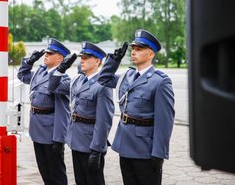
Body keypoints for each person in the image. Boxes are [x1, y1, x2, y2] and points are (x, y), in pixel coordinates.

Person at [98, 29, 175, 185]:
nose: (133, 52)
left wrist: (159, 153)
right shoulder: (127, 76)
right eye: (133, 49)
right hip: (125, 145)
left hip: (145, 149)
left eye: (139, 49)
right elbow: (104, 79)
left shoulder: (160, 81)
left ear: (151, 54)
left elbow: (165, 121)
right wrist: (114, 61)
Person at [48, 42, 115, 185]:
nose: (82, 60)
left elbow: (104, 121)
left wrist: (97, 150)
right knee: (80, 180)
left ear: (97, 61)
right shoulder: (78, 80)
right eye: (81, 57)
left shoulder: (103, 85)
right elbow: (53, 87)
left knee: (94, 181)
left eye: (86, 58)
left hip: (91, 143)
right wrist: (61, 69)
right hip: (76, 139)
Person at [17, 38, 71, 185]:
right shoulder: (39, 73)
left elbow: (64, 111)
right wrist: (29, 62)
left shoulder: (64, 80)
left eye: (50, 53)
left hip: (51, 132)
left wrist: (59, 138)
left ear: (59, 57)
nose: (46, 55)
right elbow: (22, 75)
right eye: (46, 52)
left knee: (57, 174)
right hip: (37, 129)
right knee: (45, 171)